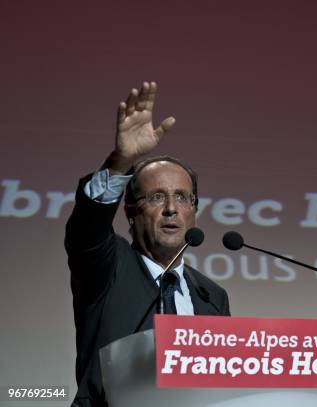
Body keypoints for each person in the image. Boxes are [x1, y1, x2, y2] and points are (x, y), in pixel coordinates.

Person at [64, 81, 230, 406]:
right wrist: (121, 160)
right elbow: (87, 227)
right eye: (156, 197)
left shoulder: (213, 298)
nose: (171, 208)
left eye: (182, 197)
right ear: (129, 212)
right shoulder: (108, 267)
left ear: (194, 211)